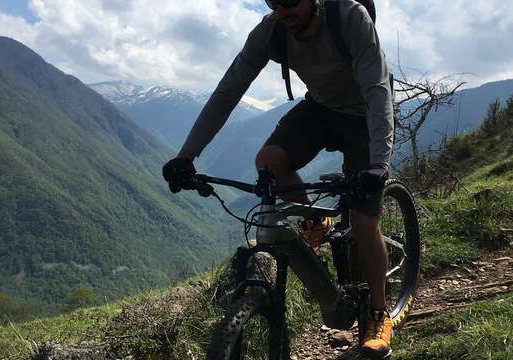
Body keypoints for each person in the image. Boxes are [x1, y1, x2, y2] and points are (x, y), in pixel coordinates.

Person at [163, 0, 394, 357]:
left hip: (365, 113)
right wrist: (186, 156)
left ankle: (378, 313)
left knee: (365, 219)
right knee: (269, 162)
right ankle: (316, 220)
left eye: (290, 0)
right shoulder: (271, 31)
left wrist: (378, 167)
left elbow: (377, 90)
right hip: (320, 108)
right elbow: (229, 90)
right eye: (273, 1)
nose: (282, 10)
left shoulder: (349, 17)